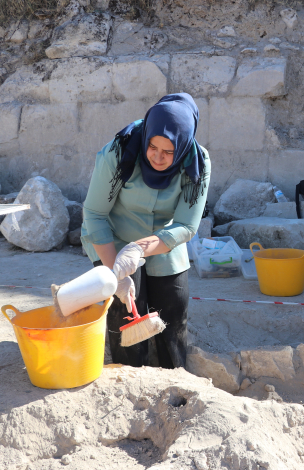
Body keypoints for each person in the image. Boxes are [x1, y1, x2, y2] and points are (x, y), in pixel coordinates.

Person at [80, 93, 210, 369]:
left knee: (173, 306)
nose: (158, 158)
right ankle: (129, 374)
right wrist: (116, 271)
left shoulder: (197, 163)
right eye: (152, 147)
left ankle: (174, 377)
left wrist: (140, 248)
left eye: (169, 152)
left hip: (160, 239)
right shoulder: (119, 151)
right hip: (111, 234)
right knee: (125, 308)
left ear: (184, 147)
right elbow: (94, 214)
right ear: (146, 137)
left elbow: (186, 226)